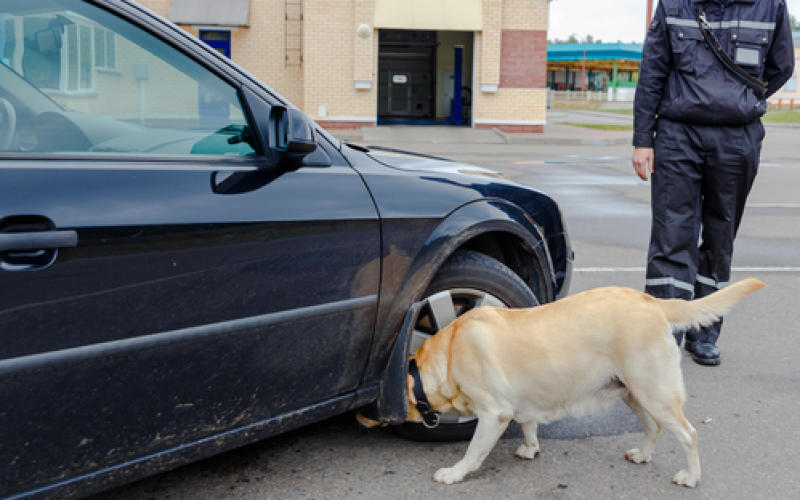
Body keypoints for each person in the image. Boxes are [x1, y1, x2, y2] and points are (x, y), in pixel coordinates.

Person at [632, 0, 794, 365]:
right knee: (671, 236)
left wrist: (741, 100)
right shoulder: (674, 4)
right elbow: (653, 70)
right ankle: (663, 336)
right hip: (677, 135)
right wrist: (643, 139)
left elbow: (781, 66)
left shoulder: (770, 6)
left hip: (737, 139)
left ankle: (705, 332)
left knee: (720, 236)